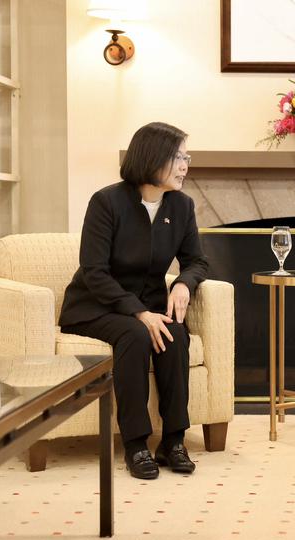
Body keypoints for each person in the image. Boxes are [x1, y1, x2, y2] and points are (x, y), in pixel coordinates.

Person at [58, 122, 208, 480]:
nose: (185, 165)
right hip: (96, 306)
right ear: (152, 157)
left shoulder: (182, 206)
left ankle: (173, 440)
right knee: (136, 335)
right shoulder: (107, 202)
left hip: (150, 305)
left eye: (186, 157)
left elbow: (197, 261)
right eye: (177, 157)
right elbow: (93, 271)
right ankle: (136, 444)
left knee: (175, 336)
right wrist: (139, 312)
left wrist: (184, 284)